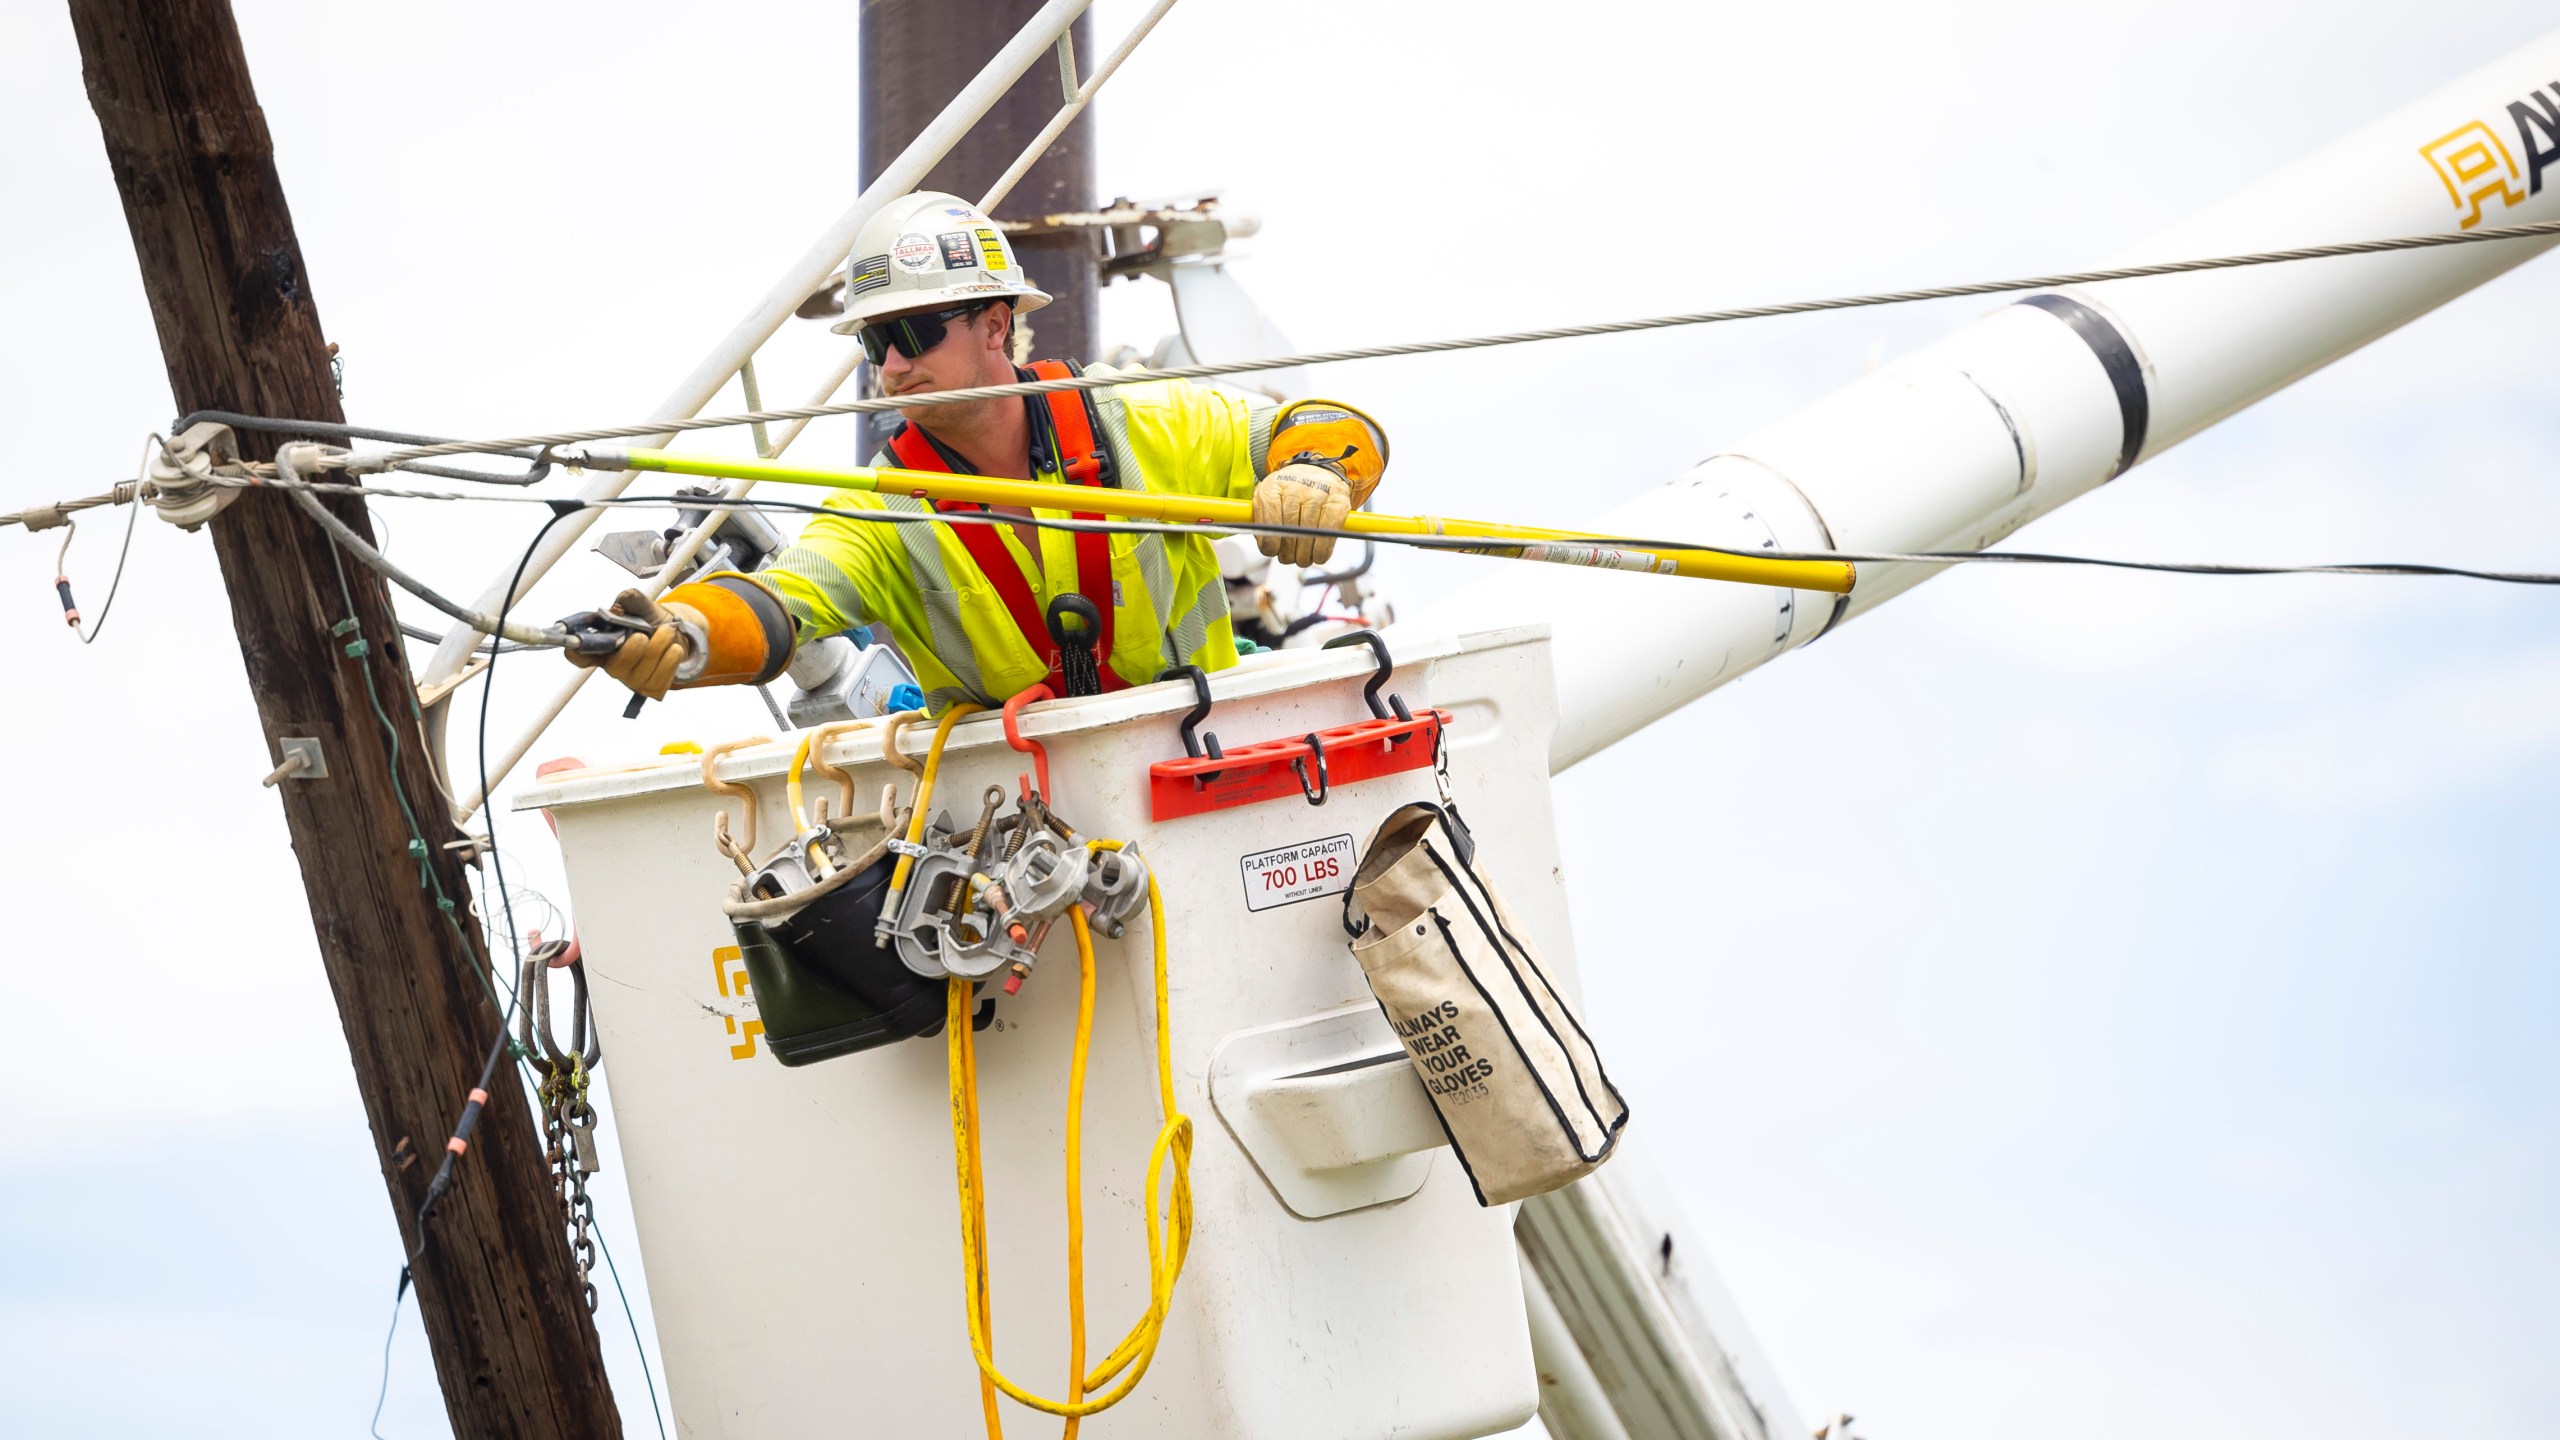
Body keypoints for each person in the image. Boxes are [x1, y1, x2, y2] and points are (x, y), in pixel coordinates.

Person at [566, 190, 1387, 712]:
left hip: (1199, 758)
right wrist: (686, 634)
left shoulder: (1136, 422)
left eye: (912, 333)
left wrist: (1315, 470)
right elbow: (783, 604)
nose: (890, 367)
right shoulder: (884, 510)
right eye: (875, 343)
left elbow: (1320, 425)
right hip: (1021, 826)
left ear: (996, 325)